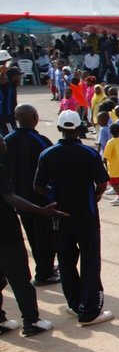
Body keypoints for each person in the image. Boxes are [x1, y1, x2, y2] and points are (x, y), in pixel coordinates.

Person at [34, 110, 113, 326]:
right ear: (79, 129)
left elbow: (38, 186)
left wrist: (54, 196)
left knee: (66, 261)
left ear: (59, 129)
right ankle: (88, 311)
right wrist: (95, 196)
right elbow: (102, 183)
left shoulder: (47, 154)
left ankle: (74, 303)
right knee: (90, 261)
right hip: (86, 215)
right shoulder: (88, 154)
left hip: (59, 216)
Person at [0, 135, 65, 337]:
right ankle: (31, 321)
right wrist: (40, 210)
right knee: (20, 279)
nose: (4, 143)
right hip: (6, 234)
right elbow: (9, 197)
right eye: (1, 142)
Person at [4, 104, 57, 285]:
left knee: (33, 236)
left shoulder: (7, 140)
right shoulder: (41, 141)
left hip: (18, 199)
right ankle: (44, 272)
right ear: (35, 117)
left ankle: (44, 267)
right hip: (41, 199)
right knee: (46, 238)